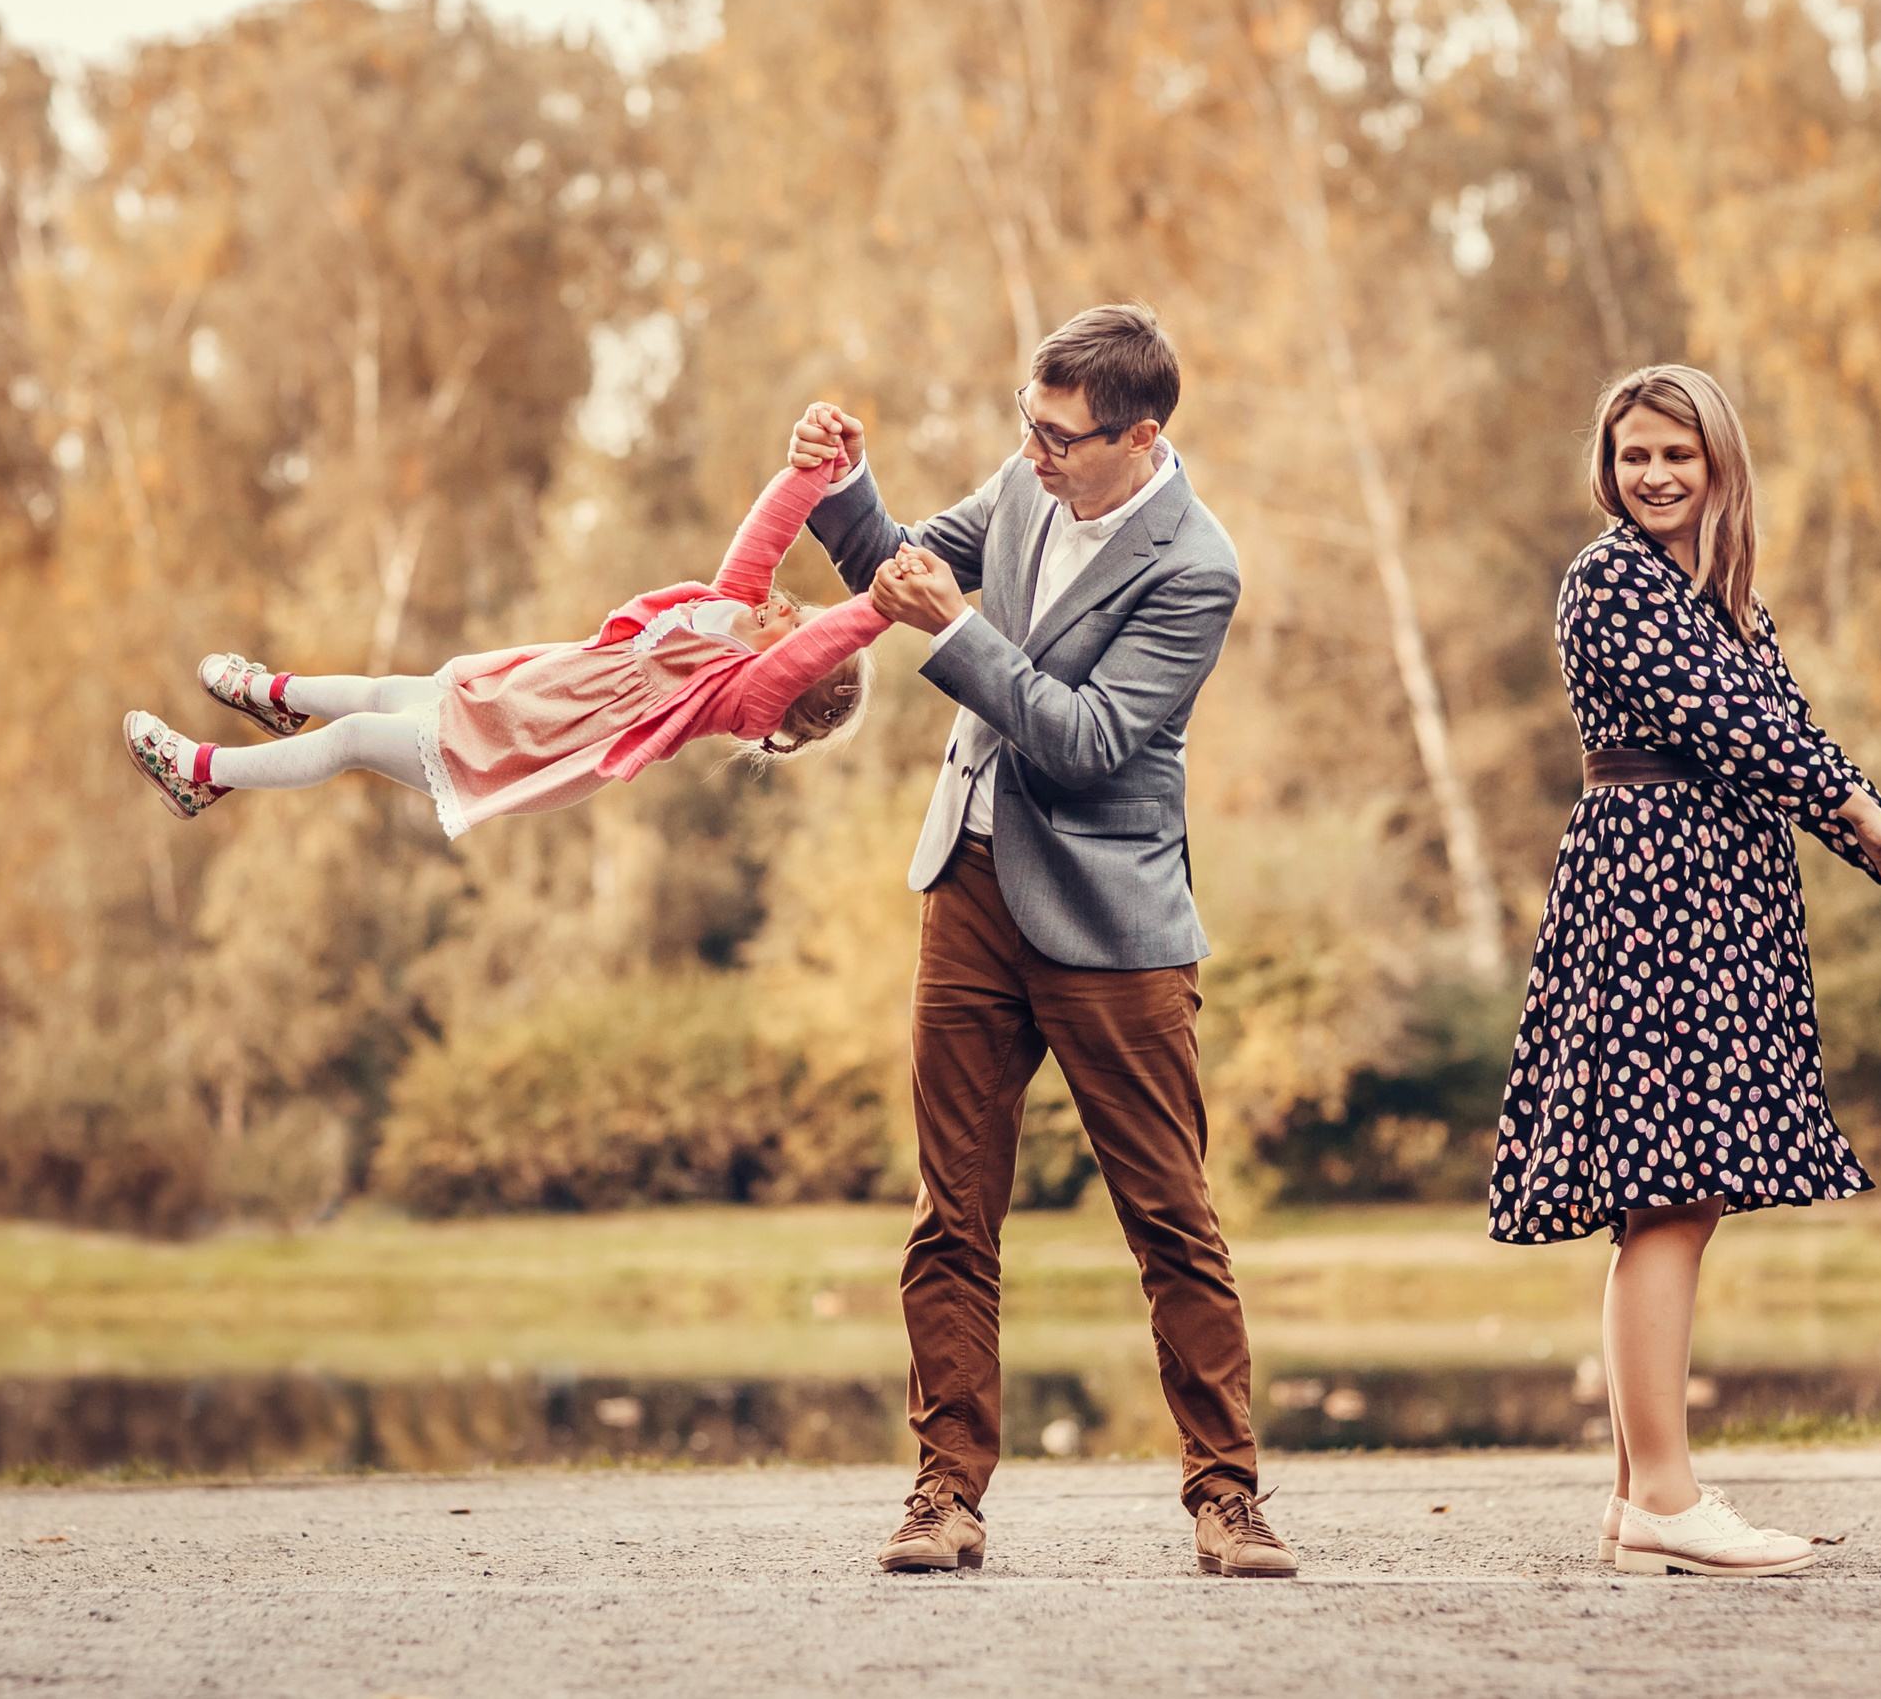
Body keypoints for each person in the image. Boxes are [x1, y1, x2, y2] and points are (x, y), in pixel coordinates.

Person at [788, 303, 1296, 1579]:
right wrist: (838, 483)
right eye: (1028, 422)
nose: (1032, 453)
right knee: (950, 1215)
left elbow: (1086, 742)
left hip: (1110, 919)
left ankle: (1226, 1498)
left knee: (1169, 1219)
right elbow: (896, 564)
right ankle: (944, 1494)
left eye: (1060, 437)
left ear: (1140, 436)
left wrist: (954, 631)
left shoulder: (1196, 565)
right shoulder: (1027, 486)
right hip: (965, 887)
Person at [1490, 365, 1881, 1578]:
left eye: (1675, 455)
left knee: (1675, 1192)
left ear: (1717, 465)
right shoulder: (1609, 580)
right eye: (1633, 454)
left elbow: (1792, 745)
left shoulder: (1729, 600)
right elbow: (1741, 736)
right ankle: (1666, 1497)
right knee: (1671, 1188)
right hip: (1654, 893)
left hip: (1721, 895)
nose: (1652, 475)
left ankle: (1637, 1498)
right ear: (1608, 466)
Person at [119, 452, 883, 834]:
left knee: (352, 739)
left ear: (791, 671)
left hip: (523, 743)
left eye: (799, 622)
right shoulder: (729, 608)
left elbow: (806, 653)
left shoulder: (740, 695)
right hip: (517, 695)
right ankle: (271, 696)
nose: (787, 606)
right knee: (382, 692)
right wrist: (818, 464)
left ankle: (201, 772)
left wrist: (878, 607)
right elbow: (767, 532)